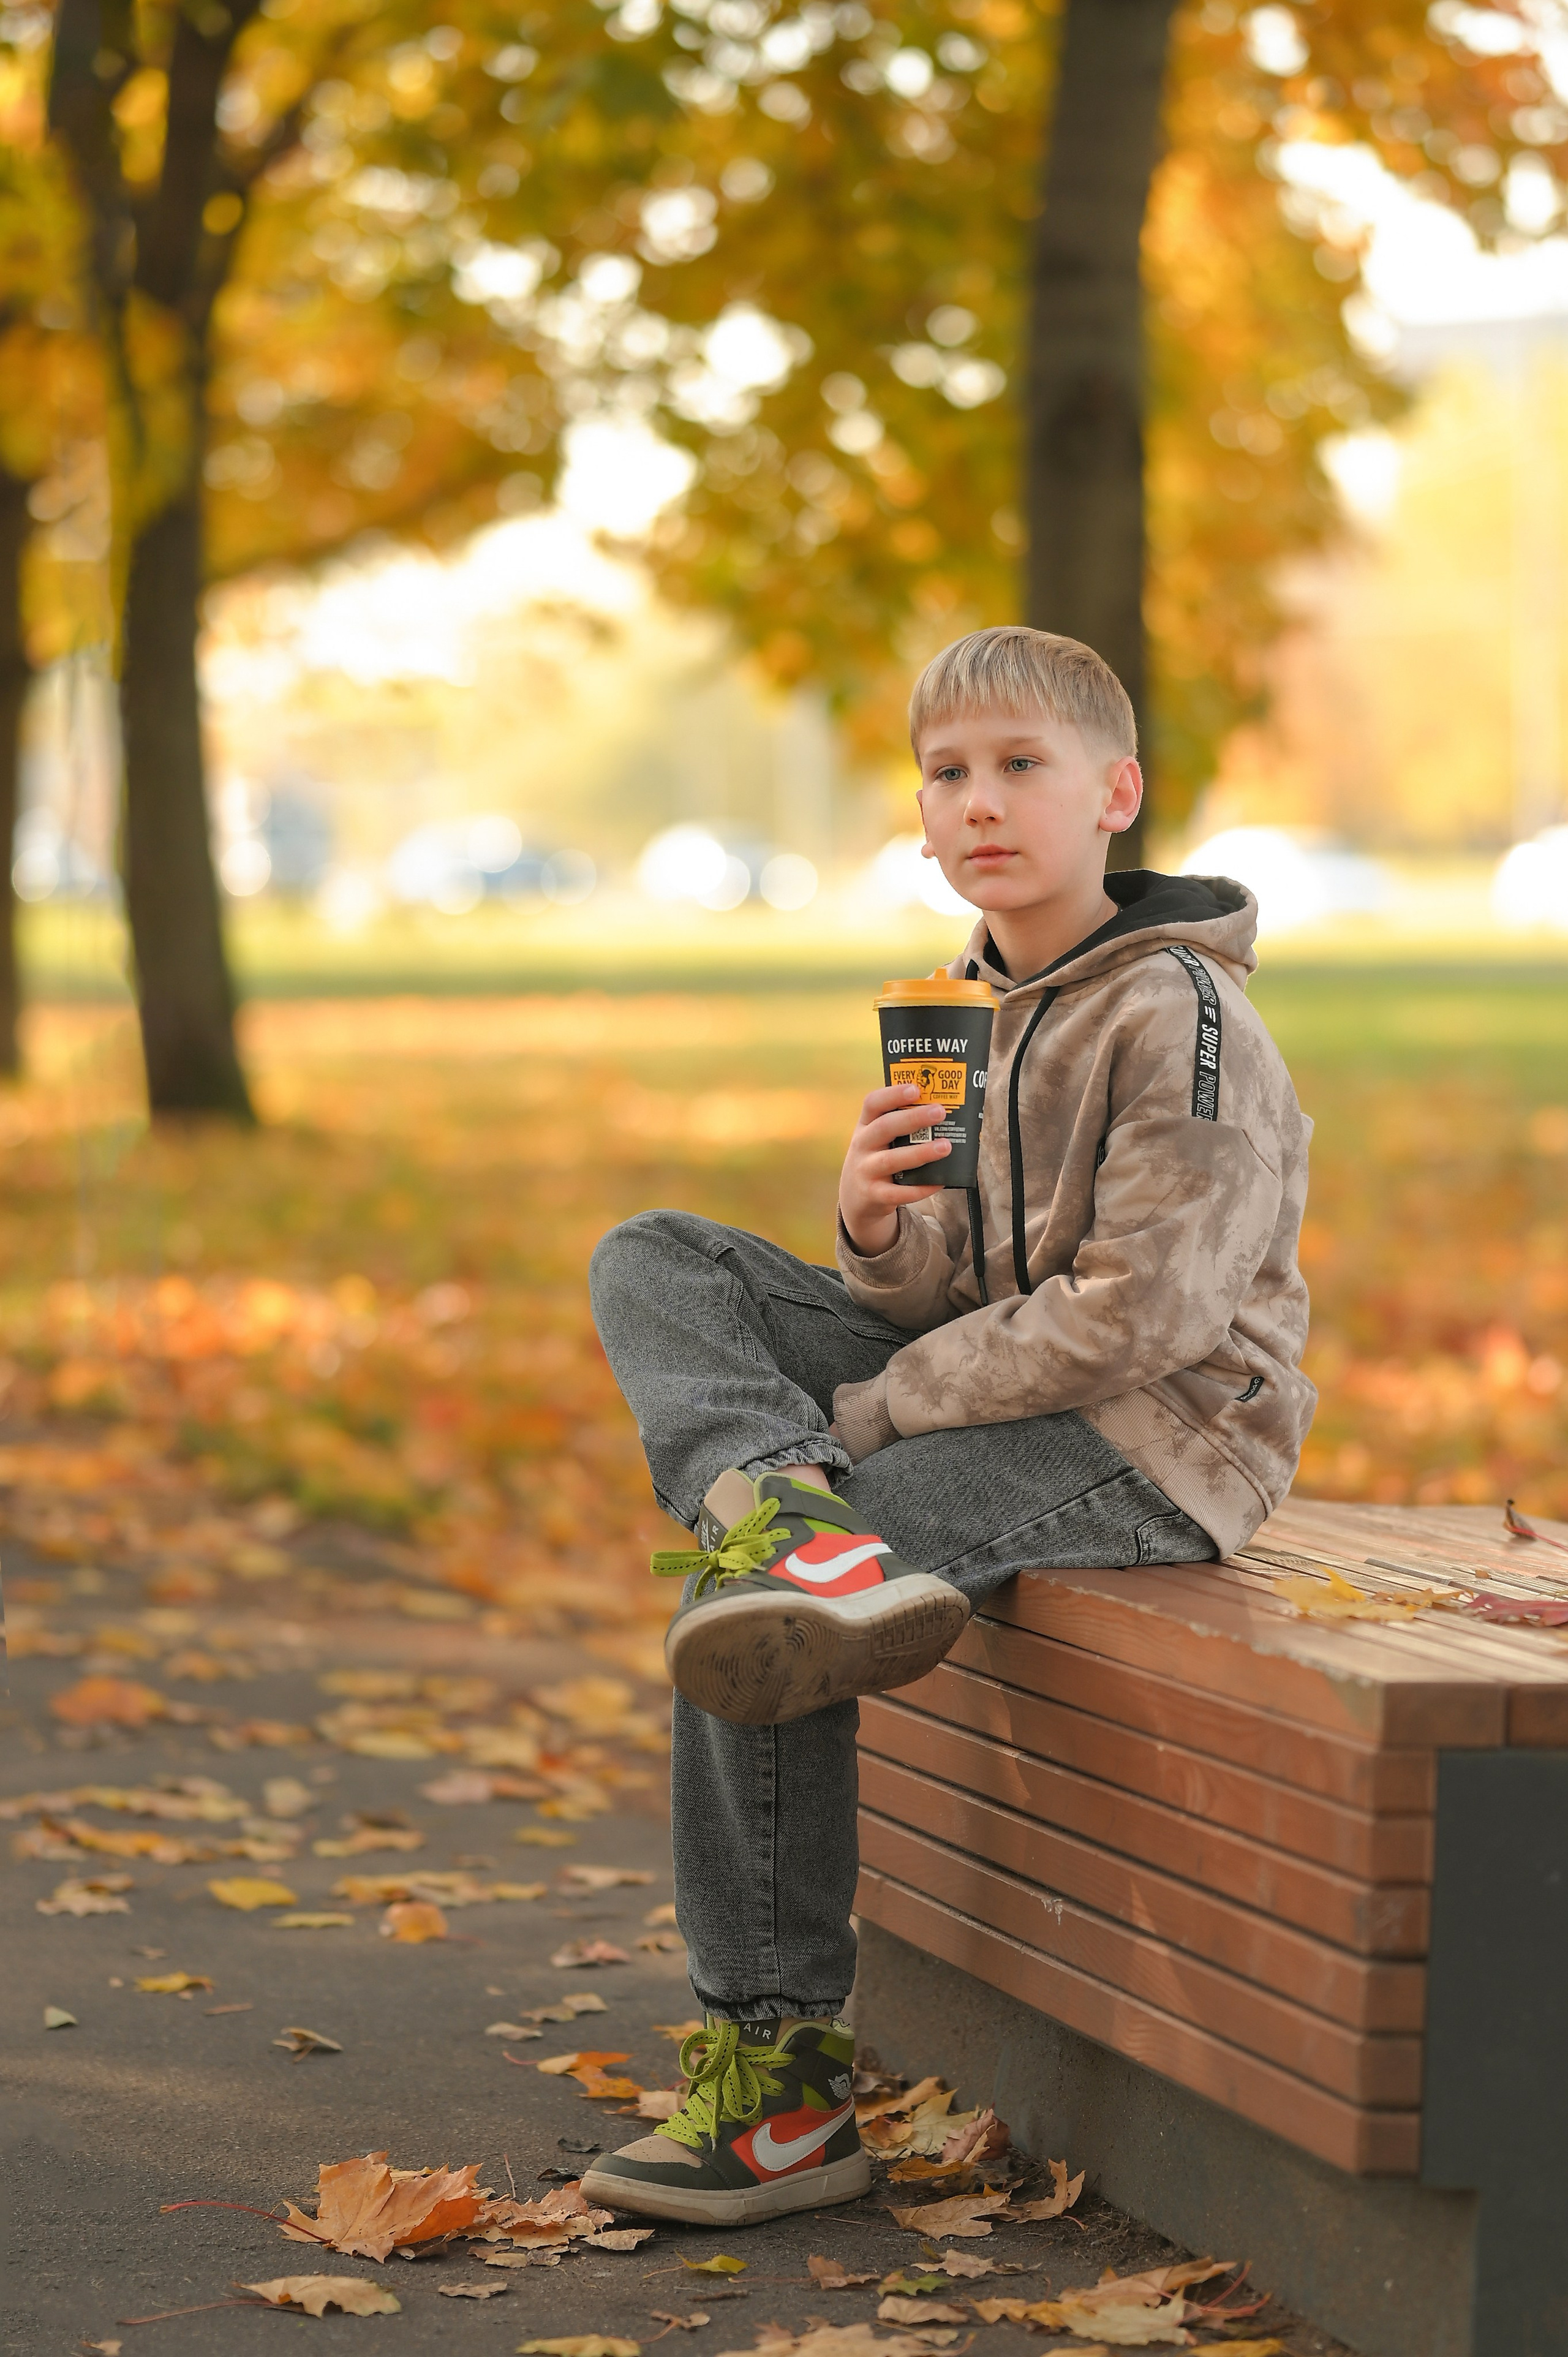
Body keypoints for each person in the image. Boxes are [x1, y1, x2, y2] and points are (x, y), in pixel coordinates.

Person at [581, 625, 1314, 2227]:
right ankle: (778, 1499)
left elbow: (1145, 1318)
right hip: (994, 1381)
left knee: (765, 1614)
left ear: (1115, 794)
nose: (979, 801)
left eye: (1020, 766)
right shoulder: (962, 1005)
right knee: (655, 1258)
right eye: (946, 773)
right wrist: (871, 1230)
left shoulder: (1184, 1014)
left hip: (1160, 1435)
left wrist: (870, 1406)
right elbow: (946, 1296)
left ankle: (779, 2098)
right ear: (921, 816)